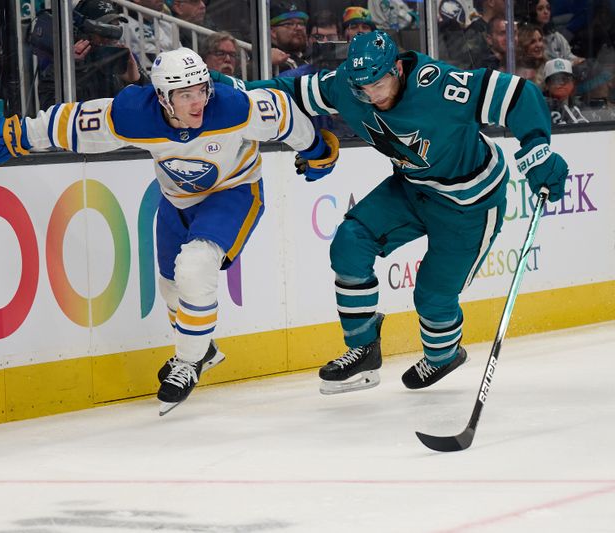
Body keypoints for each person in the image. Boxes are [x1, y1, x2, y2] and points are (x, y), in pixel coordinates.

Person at [0, 47, 339, 414]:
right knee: (170, 286)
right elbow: (75, 123)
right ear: (163, 98)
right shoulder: (135, 114)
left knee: (196, 266)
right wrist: (20, 133)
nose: (198, 101)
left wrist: (314, 148)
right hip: (176, 201)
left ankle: (188, 362)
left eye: (201, 89)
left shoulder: (232, 106)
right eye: (186, 95)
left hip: (234, 192)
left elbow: (283, 114)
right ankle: (203, 350)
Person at [213, 30, 568, 393]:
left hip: (470, 202)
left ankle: (443, 355)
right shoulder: (347, 86)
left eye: (379, 84)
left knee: (432, 295)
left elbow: (517, 94)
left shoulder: (441, 86)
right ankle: (363, 349)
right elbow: (290, 92)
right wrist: (232, 88)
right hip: (412, 188)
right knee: (349, 243)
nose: (372, 96)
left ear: (397, 68)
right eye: (362, 89)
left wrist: (536, 149)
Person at [33, 0, 148, 108]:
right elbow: (50, 108)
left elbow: (154, 105)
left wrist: (136, 81)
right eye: (105, 29)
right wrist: (74, 67)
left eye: (116, 27)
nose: (112, 37)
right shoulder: (65, 64)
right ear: (83, 31)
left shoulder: (122, 59)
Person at [543, 57, 589, 124]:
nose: (561, 83)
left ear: (573, 82)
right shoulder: (539, 107)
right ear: (547, 85)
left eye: (565, 79)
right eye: (556, 79)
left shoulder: (582, 107)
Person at [269, 0, 309, 72]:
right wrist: (267, 61)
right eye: (289, 24)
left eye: (301, 23)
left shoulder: (309, 57)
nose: (299, 28)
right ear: (273, 32)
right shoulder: (269, 61)